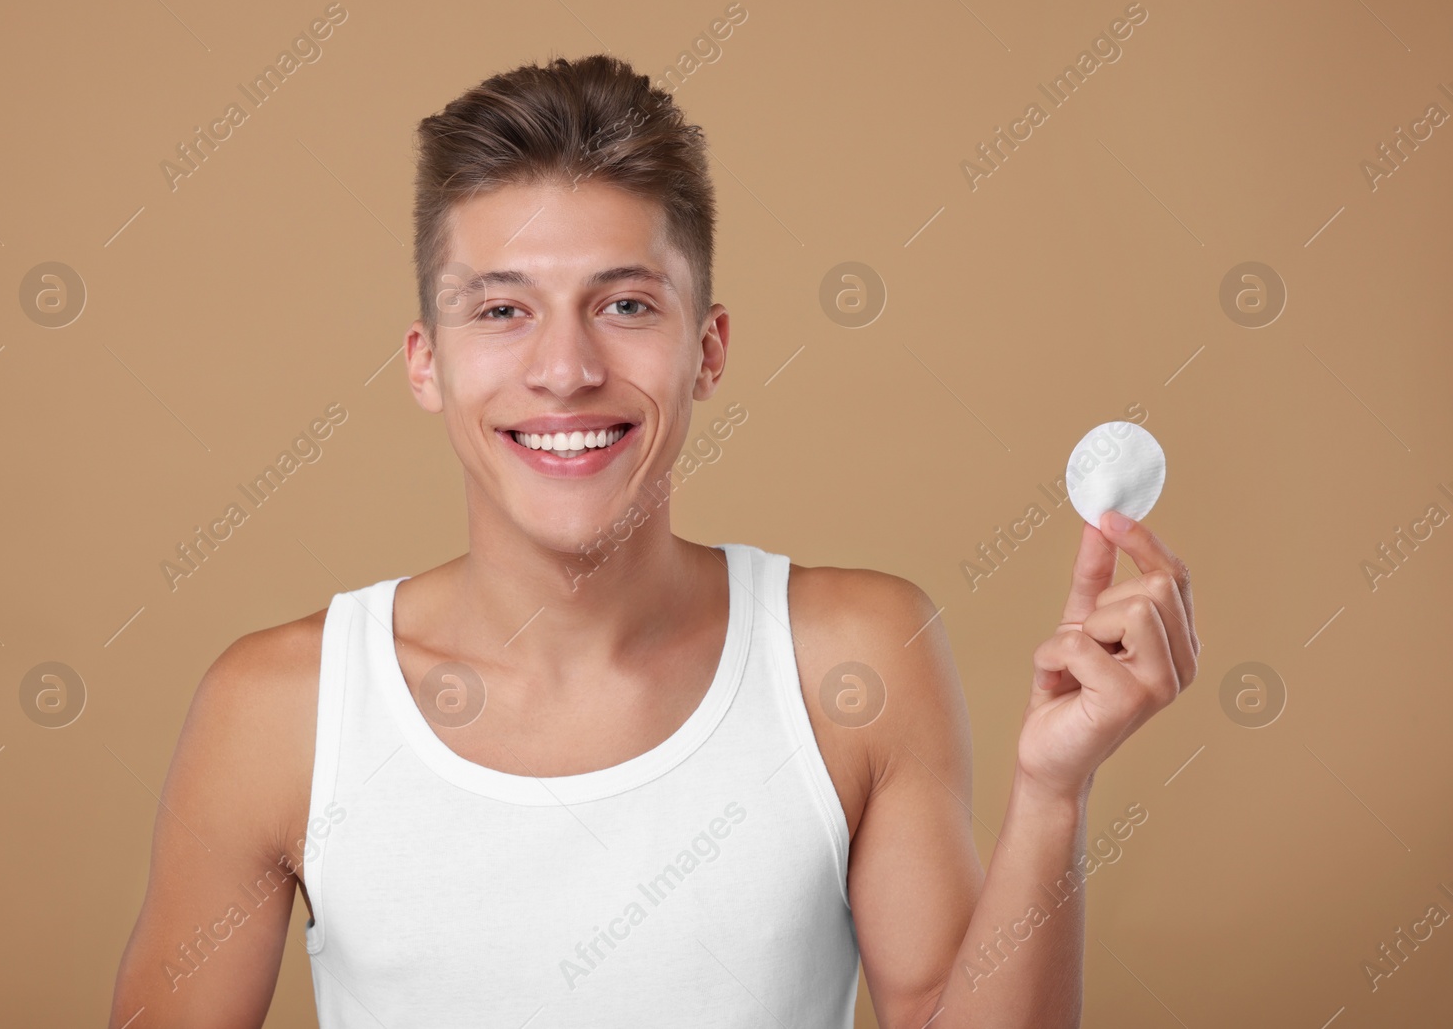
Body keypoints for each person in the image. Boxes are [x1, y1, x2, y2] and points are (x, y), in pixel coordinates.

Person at [108, 54, 1199, 1029]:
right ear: (424, 362)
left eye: (625, 304)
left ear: (708, 348)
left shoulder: (852, 657)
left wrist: (1053, 795)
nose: (565, 368)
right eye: (500, 311)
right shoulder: (280, 709)